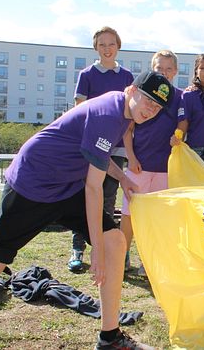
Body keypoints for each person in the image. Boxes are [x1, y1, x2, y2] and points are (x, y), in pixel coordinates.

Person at [0, 71, 174, 350]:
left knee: (114, 240)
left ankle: (110, 337)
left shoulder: (122, 113)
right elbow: (93, 188)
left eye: (157, 106)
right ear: (131, 90)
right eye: (147, 100)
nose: (150, 109)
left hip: (66, 186)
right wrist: (96, 251)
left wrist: (124, 179)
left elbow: (96, 157)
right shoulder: (109, 114)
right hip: (31, 186)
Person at [68, 26, 134, 273]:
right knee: (85, 198)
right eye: (102, 44)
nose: (107, 49)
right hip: (90, 148)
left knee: (107, 201)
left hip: (115, 148)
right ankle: (78, 249)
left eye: (112, 44)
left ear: (118, 46)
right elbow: (79, 109)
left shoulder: (126, 76)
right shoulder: (87, 74)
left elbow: (129, 118)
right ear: (96, 48)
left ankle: (103, 249)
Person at [121, 50, 182, 276]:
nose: (164, 73)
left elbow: (184, 127)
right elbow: (127, 129)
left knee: (157, 218)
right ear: (152, 68)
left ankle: (149, 262)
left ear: (175, 72)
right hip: (139, 165)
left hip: (165, 170)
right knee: (129, 214)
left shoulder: (180, 97)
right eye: (159, 69)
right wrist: (131, 156)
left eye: (168, 69)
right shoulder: (141, 93)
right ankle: (121, 256)